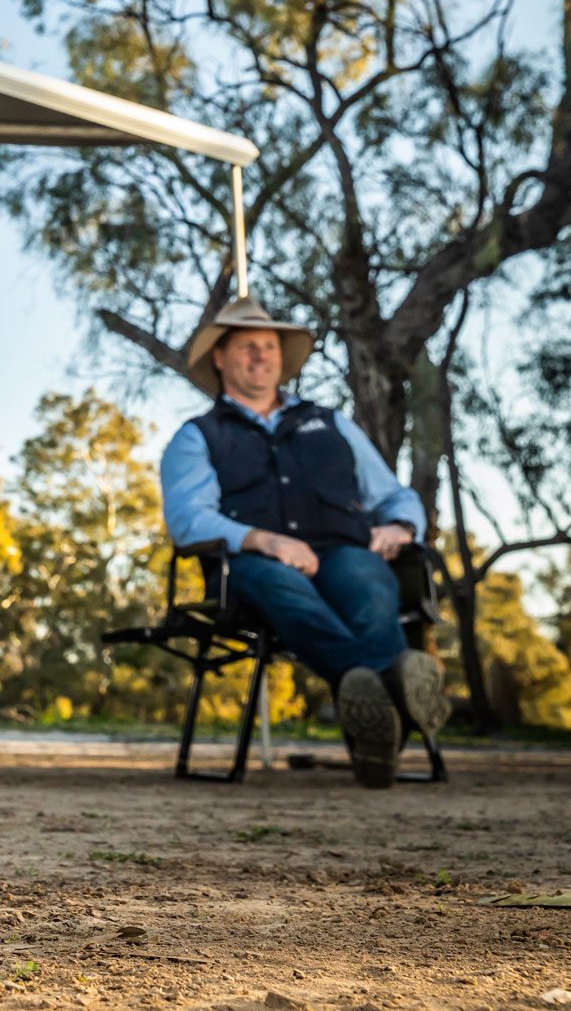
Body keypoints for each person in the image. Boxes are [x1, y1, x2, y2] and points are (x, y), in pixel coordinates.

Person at [159, 296, 449, 787]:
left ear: (281, 357)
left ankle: (377, 727)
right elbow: (189, 520)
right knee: (280, 583)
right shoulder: (197, 436)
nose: (261, 355)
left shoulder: (331, 424)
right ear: (219, 357)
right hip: (248, 565)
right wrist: (260, 540)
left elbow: (394, 494)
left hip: (340, 551)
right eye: (247, 346)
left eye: (269, 346)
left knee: (369, 580)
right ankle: (389, 685)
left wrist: (401, 525)